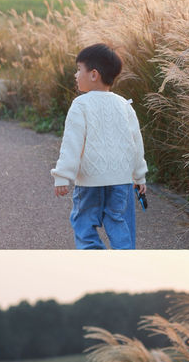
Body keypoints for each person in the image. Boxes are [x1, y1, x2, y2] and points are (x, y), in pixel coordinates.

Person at [52, 43, 147, 249]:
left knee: (84, 223)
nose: (76, 75)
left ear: (93, 74)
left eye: (79, 70)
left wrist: (63, 175)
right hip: (121, 180)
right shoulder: (124, 105)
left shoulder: (81, 105)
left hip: (90, 181)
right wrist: (139, 176)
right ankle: (125, 263)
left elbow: (71, 144)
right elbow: (135, 144)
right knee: (118, 223)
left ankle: (93, 260)